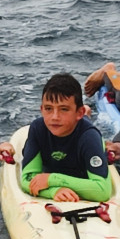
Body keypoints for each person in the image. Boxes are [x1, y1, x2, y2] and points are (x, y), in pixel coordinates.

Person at [18, 73, 111, 203]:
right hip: (71, 123)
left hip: (80, 135)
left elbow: (103, 191)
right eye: (48, 108)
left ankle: (86, 114)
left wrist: (52, 180)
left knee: (85, 126)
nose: (55, 117)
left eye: (64, 109)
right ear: (41, 110)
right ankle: (81, 112)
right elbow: (27, 179)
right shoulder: (38, 129)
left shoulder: (89, 137)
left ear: (79, 112)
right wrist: (54, 191)